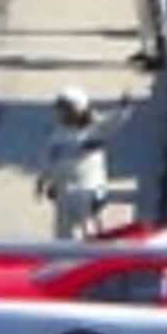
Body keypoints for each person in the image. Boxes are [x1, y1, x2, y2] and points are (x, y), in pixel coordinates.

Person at [36, 87, 110, 239]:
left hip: (88, 189)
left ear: (78, 110)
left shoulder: (94, 129)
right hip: (64, 190)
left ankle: (93, 252)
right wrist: (42, 181)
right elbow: (48, 160)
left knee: (89, 229)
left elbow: (113, 121)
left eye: (66, 110)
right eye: (61, 111)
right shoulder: (57, 135)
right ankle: (64, 252)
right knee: (63, 231)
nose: (62, 115)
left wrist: (124, 108)